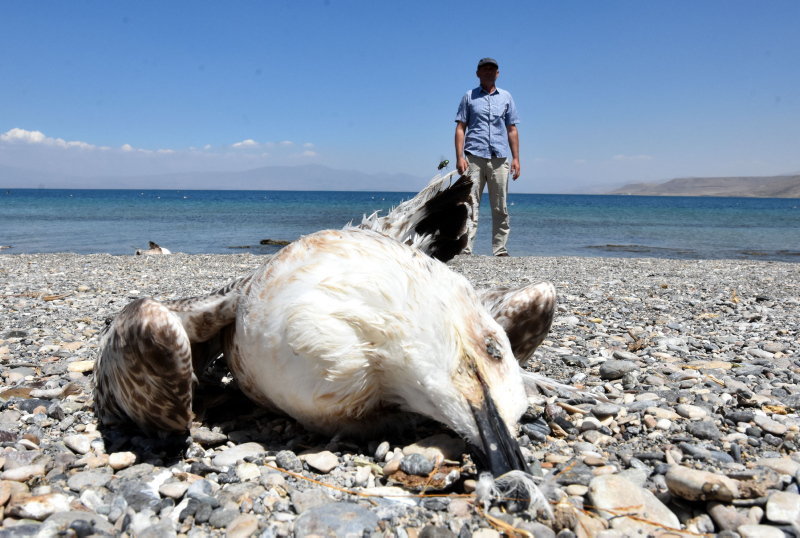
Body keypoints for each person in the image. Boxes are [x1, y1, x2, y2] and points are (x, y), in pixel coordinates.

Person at [455, 57, 520, 257]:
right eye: (485, 69)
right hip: (474, 156)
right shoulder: (469, 97)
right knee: (470, 205)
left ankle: (500, 249)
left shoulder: (506, 97)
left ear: (498, 73)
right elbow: (460, 128)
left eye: (492, 69)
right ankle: (465, 248)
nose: (489, 72)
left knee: (500, 206)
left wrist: (516, 158)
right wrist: (459, 157)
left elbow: (512, 129)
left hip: (500, 158)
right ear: (478, 73)